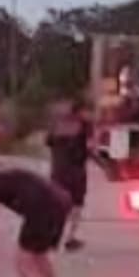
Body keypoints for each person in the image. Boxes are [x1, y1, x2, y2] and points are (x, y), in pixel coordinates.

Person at [46, 99, 93, 251]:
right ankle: (70, 238)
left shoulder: (57, 126)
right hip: (76, 171)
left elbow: (48, 142)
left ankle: (53, 238)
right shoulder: (85, 126)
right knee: (76, 206)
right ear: (81, 112)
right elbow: (90, 146)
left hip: (58, 170)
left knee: (58, 205)